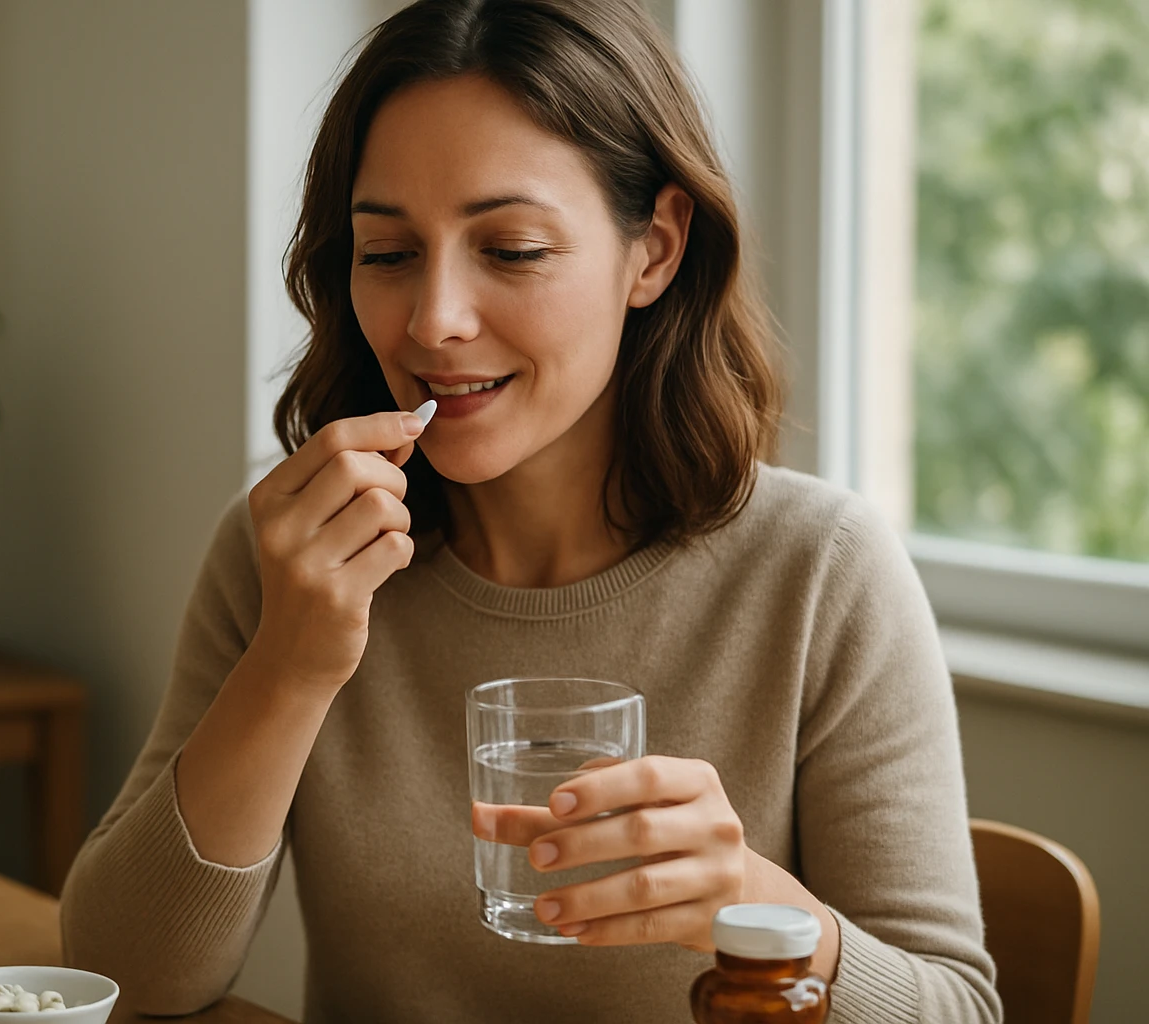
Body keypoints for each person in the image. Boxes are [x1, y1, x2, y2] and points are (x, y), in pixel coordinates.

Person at [60, 1, 1001, 1021]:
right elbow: (125, 977)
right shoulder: (292, 558)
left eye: (510, 249)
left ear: (655, 250)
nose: (435, 320)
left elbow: (958, 1006)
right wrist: (288, 664)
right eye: (387, 254)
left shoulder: (824, 574)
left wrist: (752, 907)